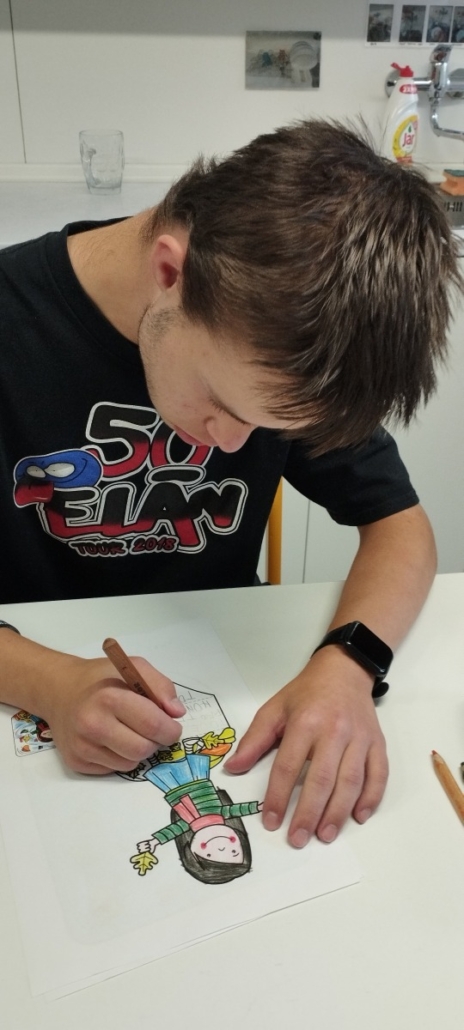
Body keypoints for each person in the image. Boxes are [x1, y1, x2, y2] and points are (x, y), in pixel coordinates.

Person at [0, 118, 460, 850]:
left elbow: (400, 526)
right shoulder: (13, 323)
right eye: (223, 405)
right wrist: (44, 682)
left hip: (219, 681)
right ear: (170, 273)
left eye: (268, 424)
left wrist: (350, 663)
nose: (234, 444)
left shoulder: (287, 341)